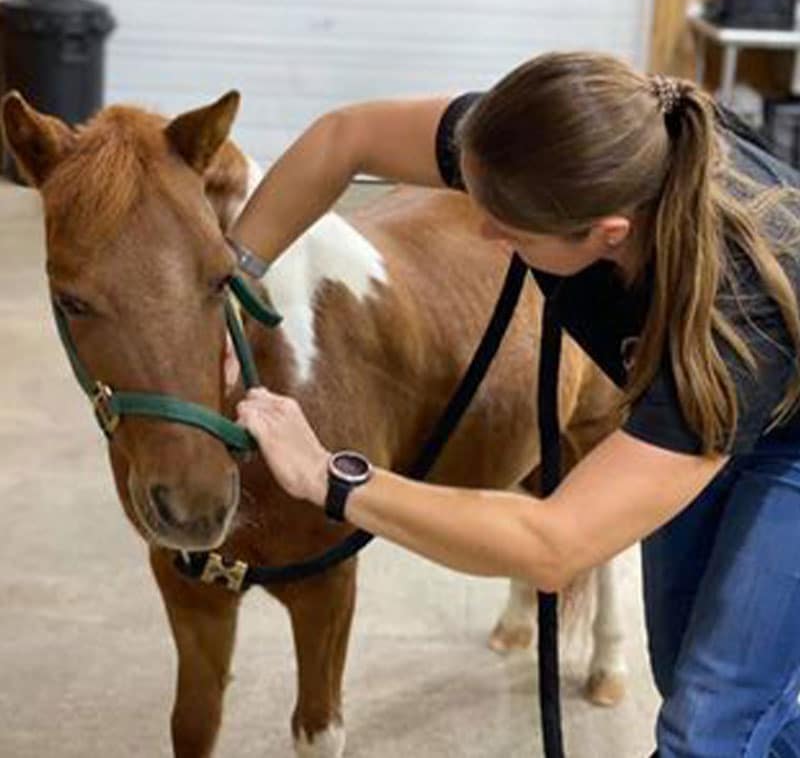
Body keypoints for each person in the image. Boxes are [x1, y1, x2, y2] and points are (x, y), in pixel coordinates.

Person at [227, 51, 800, 757]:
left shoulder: (728, 323)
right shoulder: (552, 147)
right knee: (689, 670)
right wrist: (235, 283)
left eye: (513, 233)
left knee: (710, 724)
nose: (483, 234)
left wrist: (331, 478)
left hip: (786, 426)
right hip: (720, 397)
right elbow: (345, 136)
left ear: (606, 234)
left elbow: (554, 545)